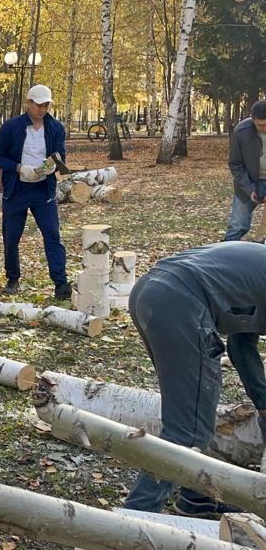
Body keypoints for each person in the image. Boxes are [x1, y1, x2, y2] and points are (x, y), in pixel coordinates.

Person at [121, 241, 266, 517]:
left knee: (194, 411)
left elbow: (242, 342)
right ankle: (133, 519)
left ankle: (195, 499)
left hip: (151, 291)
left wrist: (262, 402)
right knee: (186, 429)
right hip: (181, 303)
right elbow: (243, 347)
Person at [0, 84, 70, 299]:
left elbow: (60, 154)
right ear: (29, 103)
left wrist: (52, 165)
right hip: (17, 188)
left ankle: (61, 283)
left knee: (52, 234)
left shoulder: (55, 128)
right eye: (39, 105)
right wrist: (19, 168)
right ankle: (13, 278)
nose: (42, 109)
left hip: (43, 190)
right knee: (11, 236)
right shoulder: (12, 127)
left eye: (46, 105)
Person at [222, 100, 266, 241]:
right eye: (260, 125)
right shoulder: (242, 131)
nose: (264, 128)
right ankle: (225, 256)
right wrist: (249, 189)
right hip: (248, 181)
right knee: (238, 225)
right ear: (252, 119)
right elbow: (235, 164)